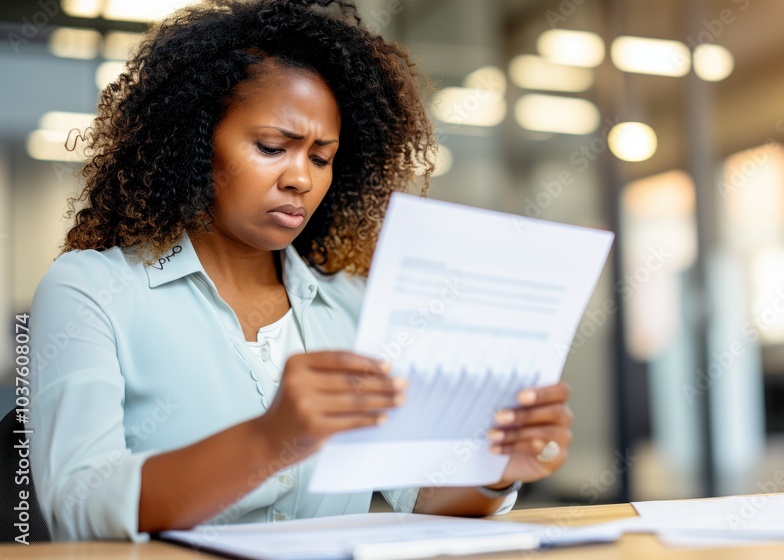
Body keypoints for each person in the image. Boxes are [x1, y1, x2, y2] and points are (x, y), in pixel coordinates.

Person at [27, 0, 573, 542]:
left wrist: (495, 469)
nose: (300, 179)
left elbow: (422, 497)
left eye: (321, 157)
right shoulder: (93, 291)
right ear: (193, 144)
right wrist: (270, 439)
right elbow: (79, 506)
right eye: (272, 147)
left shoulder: (352, 308)